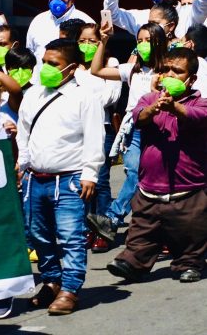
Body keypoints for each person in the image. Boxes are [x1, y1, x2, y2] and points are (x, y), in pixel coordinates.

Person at [17, 39, 105, 315]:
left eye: (53, 64)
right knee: (37, 235)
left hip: (68, 181)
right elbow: (23, 132)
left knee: (70, 237)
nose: (46, 68)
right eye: (44, 62)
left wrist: (90, 174)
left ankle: (69, 289)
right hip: (34, 179)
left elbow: (94, 137)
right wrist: (22, 163)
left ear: (72, 68)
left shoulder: (85, 98)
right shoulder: (33, 94)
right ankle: (52, 281)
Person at [106, 48, 207, 283]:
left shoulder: (201, 103)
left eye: (177, 71)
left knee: (190, 232)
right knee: (142, 230)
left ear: (191, 79)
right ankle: (133, 262)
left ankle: (189, 262)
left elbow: (196, 116)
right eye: (166, 70)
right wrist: (154, 109)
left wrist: (175, 108)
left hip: (188, 189)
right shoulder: (149, 99)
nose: (170, 75)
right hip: (149, 188)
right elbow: (139, 117)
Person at [88, 23, 168, 245]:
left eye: (147, 40)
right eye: (139, 40)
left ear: (159, 42)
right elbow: (97, 70)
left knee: (142, 177)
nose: (143, 45)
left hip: (157, 129)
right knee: (135, 173)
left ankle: (114, 219)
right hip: (134, 129)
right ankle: (115, 220)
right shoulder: (132, 70)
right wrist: (103, 42)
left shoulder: (167, 71)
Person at [75, 23, 122, 252]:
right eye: (82, 41)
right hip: (77, 130)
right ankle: (85, 227)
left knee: (101, 180)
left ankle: (102, 228)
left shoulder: (111, 65)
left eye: (92, 41)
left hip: (102, 128)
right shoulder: (72, 67)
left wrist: (82, 99)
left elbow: (109, 97)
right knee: (81, 181)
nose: (86, 45)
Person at [26, 0, 94, 84]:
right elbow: (30, 54)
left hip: (72, 88)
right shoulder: (38, 21)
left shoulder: (86, 23)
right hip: (39, 86)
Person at [174, 24, 207, 96]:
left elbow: (203, 96)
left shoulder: (199, 66)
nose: (177, 44)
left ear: (189, 44)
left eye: (181, 41)